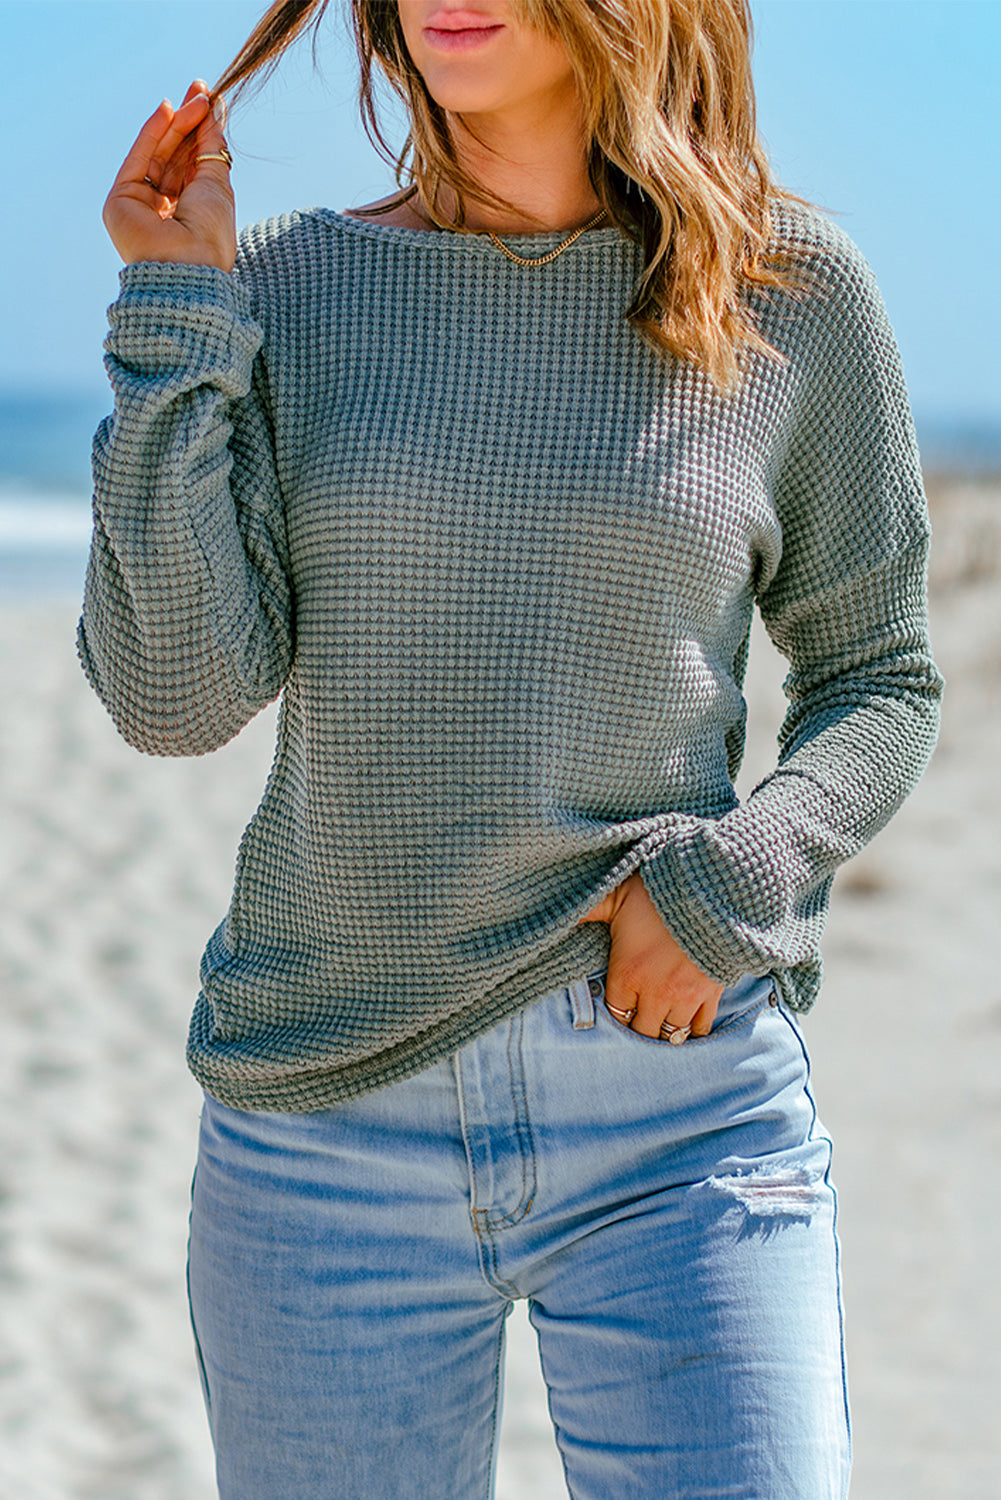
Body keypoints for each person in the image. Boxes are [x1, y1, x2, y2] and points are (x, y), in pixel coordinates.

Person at [81, 1, 943, 1495]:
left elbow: (879, 678)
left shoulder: (784, 292)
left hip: (677, 1124)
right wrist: (173, 310)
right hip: (323, 1124)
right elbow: (177, 700)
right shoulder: (291, 283)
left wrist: (732, 879)